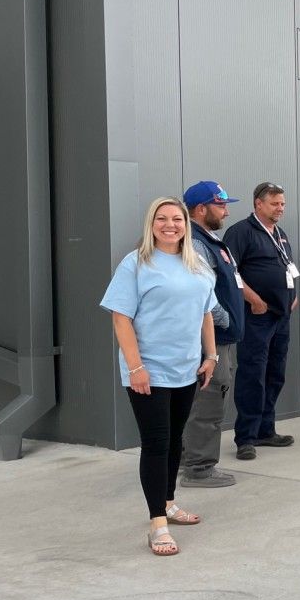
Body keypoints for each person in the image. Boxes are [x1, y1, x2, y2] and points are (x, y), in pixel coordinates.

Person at [100, 197, 217, 556]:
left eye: (177, 219)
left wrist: (210, 355)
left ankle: (167, 502)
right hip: (148, 371)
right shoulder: (135, 264)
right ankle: (157, 524)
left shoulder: (197, 265)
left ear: (186, 223)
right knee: (156, 444)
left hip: (186, 370)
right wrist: (135, 367)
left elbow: (206, 313)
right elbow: (121, 318)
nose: (170, 225)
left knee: (175, 441)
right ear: (151, 224)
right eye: (162, 219)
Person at [224, 182, 299, 461]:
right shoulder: (241, 232)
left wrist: (293, 295)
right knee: (252, 375)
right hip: (257, 316)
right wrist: (254, 299)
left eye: (282, 204)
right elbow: (230, 273)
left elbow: (288, 267)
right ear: (258, 204)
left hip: (282, 315)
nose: (280, 208)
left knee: (275, 373)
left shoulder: (280, 234)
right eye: (274, 203)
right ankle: (246, 437)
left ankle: (266, 430)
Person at [179, 181, 244, 489]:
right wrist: (225, 318)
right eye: (221, 205)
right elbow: (200, 291)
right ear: (201, 209)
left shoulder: (211, 239)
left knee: (206, 399)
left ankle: (189, 460)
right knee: (208, 401)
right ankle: (198, 467)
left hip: (221, 336)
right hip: (211, 338)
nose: (227, 211)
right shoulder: (194, 243)